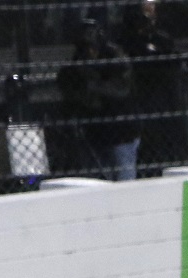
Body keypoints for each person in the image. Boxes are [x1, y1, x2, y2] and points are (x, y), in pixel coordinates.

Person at [57, 18, 140, 180]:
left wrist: (93, 86)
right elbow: (65, 82)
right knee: (97, 179)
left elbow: (121, 89)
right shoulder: (78, 60)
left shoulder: (115, 57)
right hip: (95, 131)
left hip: (121, 130)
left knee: (124, 177)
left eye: (91, 47)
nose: (89, 52)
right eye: (85, 47)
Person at [118, 0, 181, 170]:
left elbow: (171, 60)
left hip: (161, 98)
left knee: (163, 142)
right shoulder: (128, 39)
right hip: (140, 97)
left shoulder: (161, 37)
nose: (151, 9)